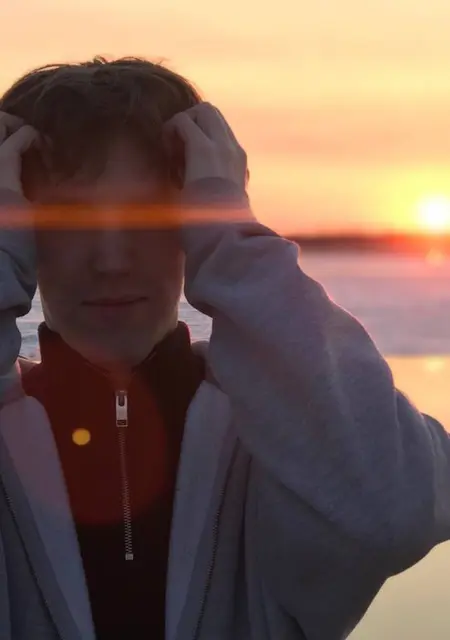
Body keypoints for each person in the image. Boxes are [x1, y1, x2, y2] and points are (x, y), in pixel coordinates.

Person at [0, 56, 448, 640]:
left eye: (151, 217)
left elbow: (395, 512)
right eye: (67, 222)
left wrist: (234, 243)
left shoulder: (279, 445)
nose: (111, 261)